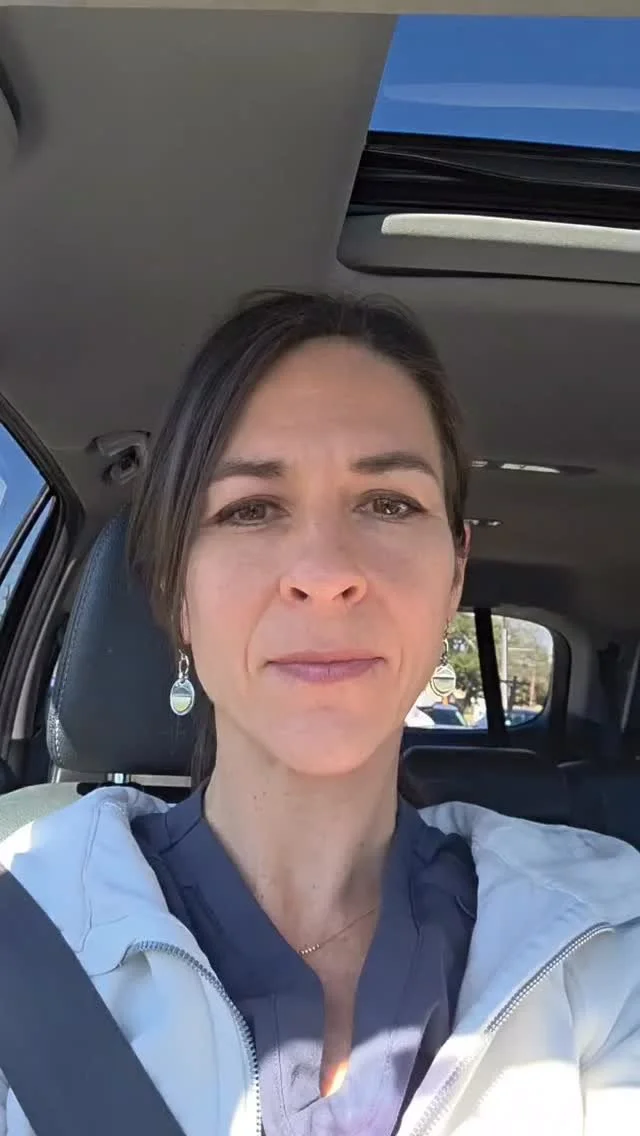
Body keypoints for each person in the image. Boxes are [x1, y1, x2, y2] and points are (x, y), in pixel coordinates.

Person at [2, 290, 640, 1135]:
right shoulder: (29, 924)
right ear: (177, 593)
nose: (326, 572)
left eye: (389, 503)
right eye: (251, 509)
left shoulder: (610, 937)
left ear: (453, 574)